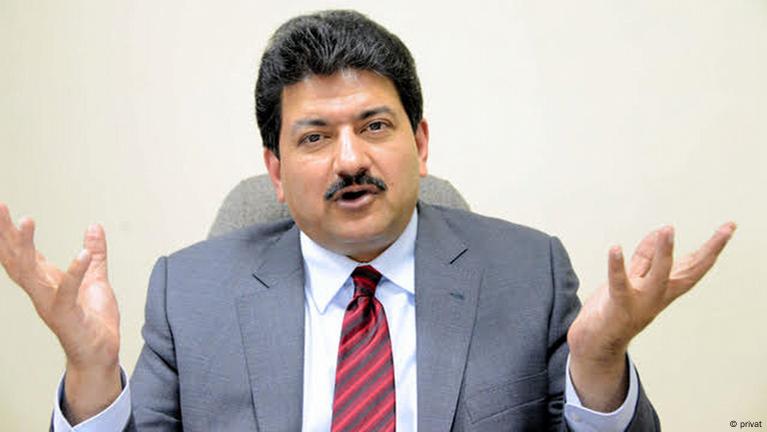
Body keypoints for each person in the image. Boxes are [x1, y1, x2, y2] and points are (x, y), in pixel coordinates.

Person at [0, 10, 734, 431]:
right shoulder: (190, 294)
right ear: (276, 172)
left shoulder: (527, 275)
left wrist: (598, 363)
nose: (350, 159)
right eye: (315, 137)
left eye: (375, 126)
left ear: (420, 143)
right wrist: (91, 375)